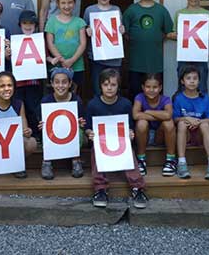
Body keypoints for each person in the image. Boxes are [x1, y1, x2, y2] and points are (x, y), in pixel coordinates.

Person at [85, 69, 148, 209]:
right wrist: (90, 133)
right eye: (106, 84)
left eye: (113, 85)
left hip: (119, 141)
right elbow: (88, 127)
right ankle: (100, 188)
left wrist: (131, 133)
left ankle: (137, 187)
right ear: (100, 86)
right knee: (96, 148)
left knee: (128, 149)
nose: (109, 88)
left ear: (118, 86)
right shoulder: (93, 105)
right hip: (101, 142)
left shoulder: (125, 104)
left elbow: (129, 127)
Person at [123, 0, 173, 99]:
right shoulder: (131, 10)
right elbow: (124, 32)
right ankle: (136, 118)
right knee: (135, 93)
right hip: (136, 62)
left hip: (155, 62)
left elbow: (168, 32)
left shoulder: (161, 10)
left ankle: (154, 117)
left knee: (155, 95)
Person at [167, 0, 209, 94]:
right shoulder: (179, 14)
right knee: (183, 87)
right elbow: (174, 34)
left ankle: (202, 111)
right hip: (184, 57)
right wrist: (173, 35)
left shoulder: (207, 14)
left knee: (202, 86)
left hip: (200, 57)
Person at [38, 67, 86, 180]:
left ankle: (76, 160)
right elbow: (41, 120)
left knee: (79, 132)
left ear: (70, 84)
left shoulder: (76, 100)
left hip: (70, 133)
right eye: (57, 82)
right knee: (45, 130)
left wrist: (80, 123)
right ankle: (47, 161)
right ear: (52, 84)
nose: (60, 85)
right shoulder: (46, 100)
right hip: (53, 133)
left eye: (64, 82)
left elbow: (82, 121)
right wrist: (41, 125)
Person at [173, 65, 209, 180]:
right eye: (188, 78)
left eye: (195, 78)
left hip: (200, 136)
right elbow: (175, 118)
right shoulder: (178, 98)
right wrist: (187, 119)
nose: (192, 81)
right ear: (182, 81)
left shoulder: (205, 98)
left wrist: (198, 121)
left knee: (205, 124)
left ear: (199, 81)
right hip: (185, 136)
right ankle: (182, 163)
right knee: (182, 123)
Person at [83, 0, 125, 96]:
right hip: (96, 57)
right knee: (97, 87)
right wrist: (87, 30)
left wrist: (122, 29)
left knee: (114, 87)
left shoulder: (116, 10)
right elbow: (84, 27)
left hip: (114, 58)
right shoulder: (89, 10)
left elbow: (119, 28)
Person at [132, 73, 176, 176]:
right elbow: (135, 115)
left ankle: (170, 160)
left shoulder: (165, 99)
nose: (151, 90)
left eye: (155, 87)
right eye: (148, 87)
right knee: (142, 123)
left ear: (160, 88)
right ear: (143, 87)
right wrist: (159, 115)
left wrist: (148, 111)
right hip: (144, 135)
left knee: (168, 123)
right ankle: (141, 159)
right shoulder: (139, 97)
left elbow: (168, 115)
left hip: (160, 136)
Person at [44, 0, 87, 91]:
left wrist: (71, 60)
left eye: (70, 2)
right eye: (63, 3)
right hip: (58, 65)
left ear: (75, 3)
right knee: (58, 92)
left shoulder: (80, 22)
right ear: (57, 4)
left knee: (75, 93)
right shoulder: (52, 21)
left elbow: (83, 43)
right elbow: (50, 43)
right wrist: (62, 60)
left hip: (77, 65)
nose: (67, 6)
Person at [13, 10, 43, 138]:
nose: (28, 26)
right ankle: (21, 133)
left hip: (34, 81)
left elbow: (43, 56)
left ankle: (36, 133)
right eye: (24, 23)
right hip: (18, 82)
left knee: (33, 106)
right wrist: (8, 53)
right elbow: (10, 59)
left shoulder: (39, 40)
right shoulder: (14, 40)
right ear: (20, 25)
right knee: (20, 106)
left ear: (36, 25)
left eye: (31, 23)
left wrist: (51, 59)